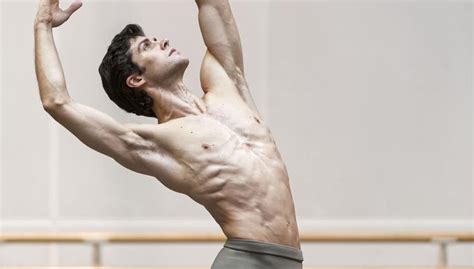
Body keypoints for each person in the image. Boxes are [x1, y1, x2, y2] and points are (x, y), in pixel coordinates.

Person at [34, 0, 303, 267]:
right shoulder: (155, 143)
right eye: (146, 46)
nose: (161, 42)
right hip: (246, 259)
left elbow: (214, 6)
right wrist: (43, 25)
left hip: (291, 260)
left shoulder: (227, 83)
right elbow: (57, 103)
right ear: (136, 79)